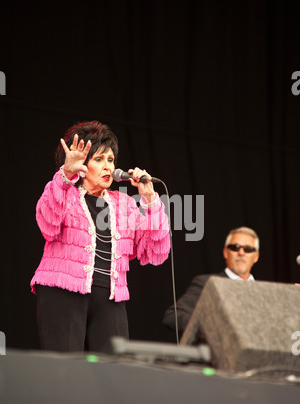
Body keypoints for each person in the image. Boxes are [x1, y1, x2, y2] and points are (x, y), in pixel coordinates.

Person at [31, 120, 170, 352]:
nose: (108, 166)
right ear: (81, 165)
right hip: (62, 294)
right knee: (66, 373)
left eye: (110, 160)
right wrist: (65, 174)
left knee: (113, 375)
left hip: (111, 299)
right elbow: (47, 222)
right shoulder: (65, 192)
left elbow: (154, 249)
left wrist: (150, 199)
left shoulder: (124, 203)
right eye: (98, 159)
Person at [163, 226, 260, 341]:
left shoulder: (266, 292)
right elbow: (173, 316)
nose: (241, 252)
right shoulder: (208, 283)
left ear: (256, 256)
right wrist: (211, 328)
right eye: (235, 247)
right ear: (225, 252)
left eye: (248, 249)